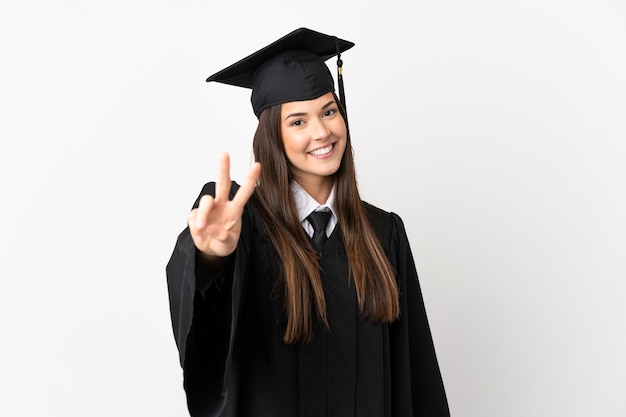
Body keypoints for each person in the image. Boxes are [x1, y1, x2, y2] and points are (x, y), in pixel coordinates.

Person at [166, 27, 450, 417]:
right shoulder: (245, 228)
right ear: (273, 137)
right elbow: (207, 342)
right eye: (297, 121)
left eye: (329, 111)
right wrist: (213, 259)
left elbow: (415, 374)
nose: (321, 132)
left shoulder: (383, 235)